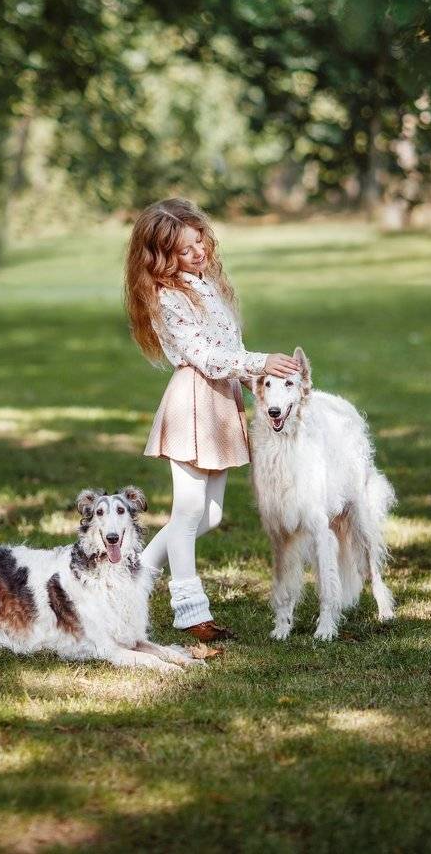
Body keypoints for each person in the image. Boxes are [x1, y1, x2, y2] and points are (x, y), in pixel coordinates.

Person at [123, 198, 301, 642]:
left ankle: (133, 575)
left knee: (212, 516)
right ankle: (190, 611)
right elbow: (204, 355)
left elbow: (228, 351)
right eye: (185, 250)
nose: (198, 252)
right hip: (194, 401)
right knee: (187, 512)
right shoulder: (168, 296)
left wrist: (258, 385)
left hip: (220, 401)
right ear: (162, 258)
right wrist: (260, 362)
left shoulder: (206, 285)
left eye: (199, 241)